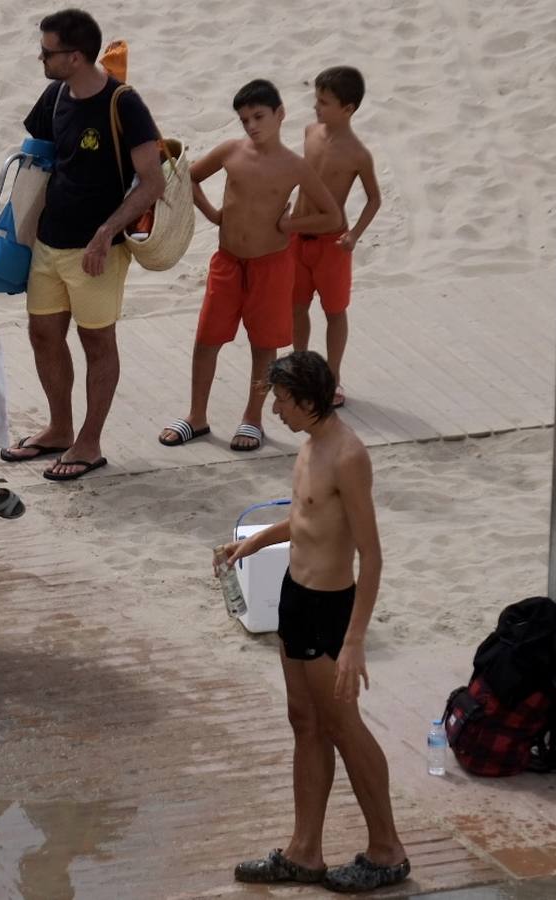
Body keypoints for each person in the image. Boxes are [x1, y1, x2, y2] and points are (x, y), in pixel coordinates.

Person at [224, 351, 409, 893]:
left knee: (342, 726)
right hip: (294, 599)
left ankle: (387, 851)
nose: (273, 409)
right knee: (303, 722)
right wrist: (256, 539)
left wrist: (354, 641)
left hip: (331, 612)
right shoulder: (310, 446)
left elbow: (371, 555)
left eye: (280, 399)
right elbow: (307, 517)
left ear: (306, 400)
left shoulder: (348, 456)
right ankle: (305, 853)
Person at [2, 8, 164, 481]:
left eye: (48, 52)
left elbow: (151, 182)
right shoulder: (55, 95)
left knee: (97, 341)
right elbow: (42, 156)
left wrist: (106, 232)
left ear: (75, 56)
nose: (41, 58)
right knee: (43, 334)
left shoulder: (124, 104)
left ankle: (89, 442)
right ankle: (59, 428)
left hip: (98, 251)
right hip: (49, 242)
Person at [159, 79, 342, 452]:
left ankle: (253, 417)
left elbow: (331, 215)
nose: (252, 125)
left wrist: (290, 225)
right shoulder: (231, 151)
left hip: (271, 267)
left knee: (264, 346)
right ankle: (197, 416)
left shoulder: (295, 167)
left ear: (280, 114)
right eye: (245, 120)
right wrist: (211, 213)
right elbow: (187, 176)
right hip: (227, 263)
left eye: (259, 116)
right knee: (206, 340)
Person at [290, 66, 382, 408]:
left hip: (332, 243)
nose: (316, 107)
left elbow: (374, 198)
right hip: (298, 237)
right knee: (296, 307)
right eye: (316, 99)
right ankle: (299, 369)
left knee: (334, 312)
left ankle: (333, 377)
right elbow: (300, 176)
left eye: (324, 102)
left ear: (348, 108)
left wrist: (355, 234)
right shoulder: (309, 132)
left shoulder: (358, 153)